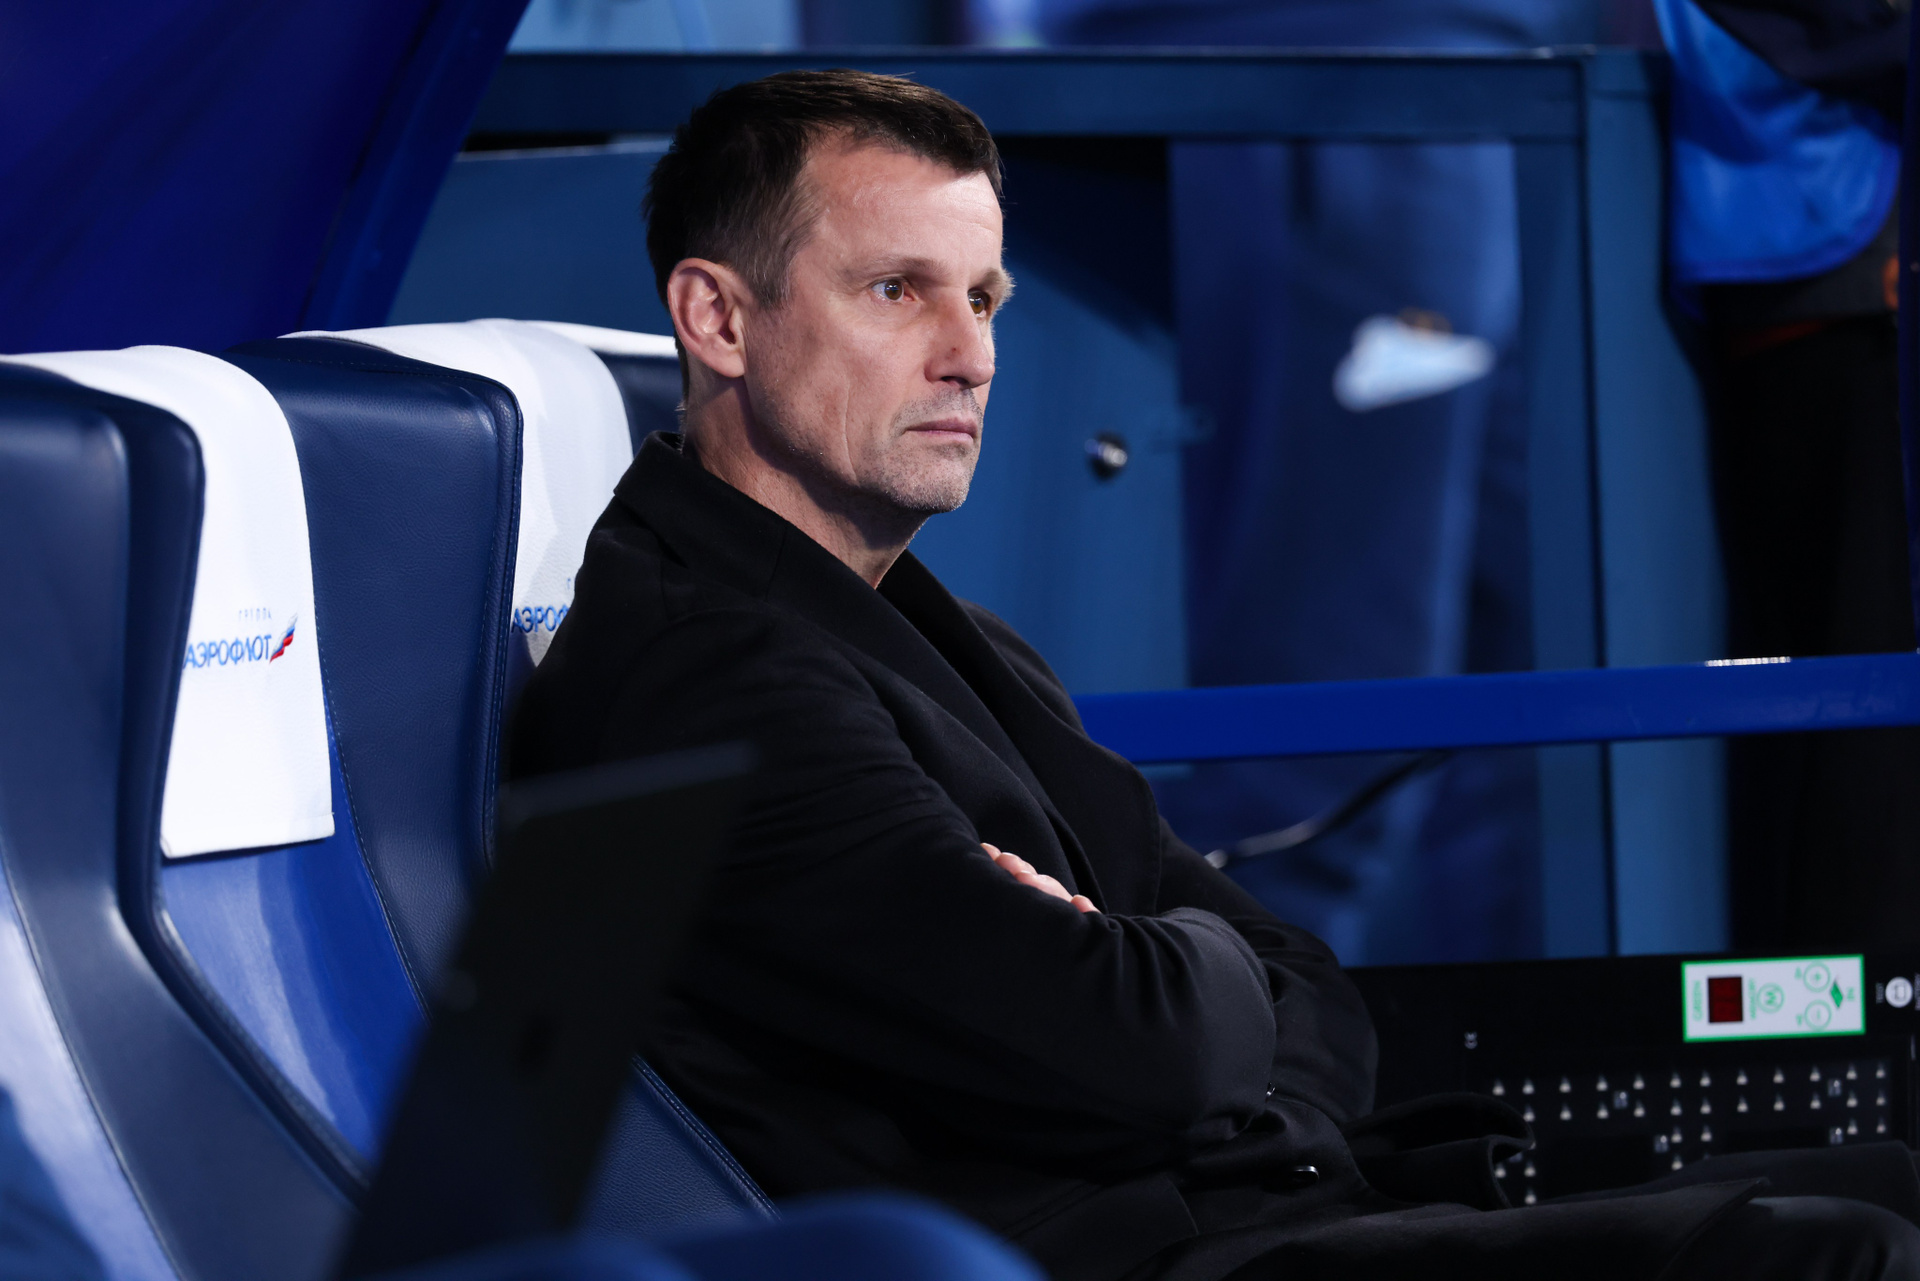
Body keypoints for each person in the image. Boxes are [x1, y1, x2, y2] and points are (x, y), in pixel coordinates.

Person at [508, 69, 1920, 1281]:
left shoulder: (955, 637)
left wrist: (1162, 968)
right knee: (1839, 1252)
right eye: (898, 291)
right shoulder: (708, 676)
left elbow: (1312, 989)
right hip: (1162, 1259)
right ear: (718, 318)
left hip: (1292, 1201)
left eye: (985, 297)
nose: (971, 356)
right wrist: (1184, 980)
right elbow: (1144, 1044)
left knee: (1896, 1176)